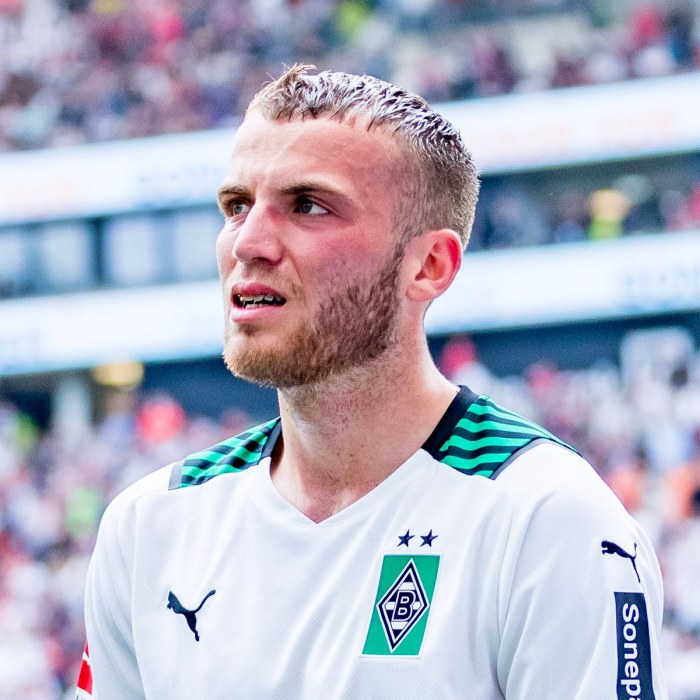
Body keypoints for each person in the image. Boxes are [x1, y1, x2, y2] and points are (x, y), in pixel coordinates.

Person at [78, 65, 667, 699]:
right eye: (236, 206)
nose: (248, 243)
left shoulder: (546, 519)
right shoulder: (150, 524)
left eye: (308, 206)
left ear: (429, 265)